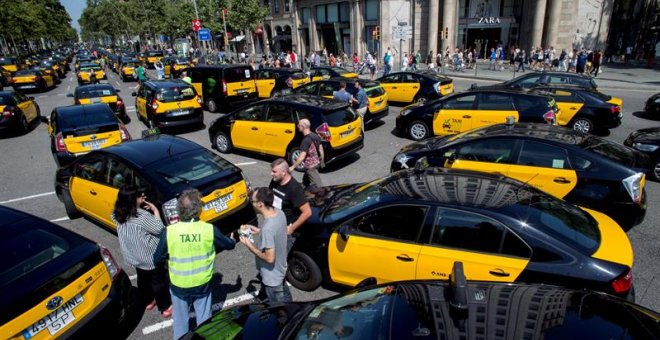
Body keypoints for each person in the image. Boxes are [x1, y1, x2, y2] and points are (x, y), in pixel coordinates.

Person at [153, 189, 236, 340]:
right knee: (204, 318)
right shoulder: (209, 229)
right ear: (198, 210)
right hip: (201, 283)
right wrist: (232, 239)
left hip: (178, 284)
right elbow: (229, 245)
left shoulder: (169, 232)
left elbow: (156, 259)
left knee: (180, 320)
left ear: (179, 210)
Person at [112, 185, 172, 318]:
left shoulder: (116, 213)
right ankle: (165, 306)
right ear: (132, 199)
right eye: (140, 196)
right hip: (149, 256)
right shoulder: (141, 216)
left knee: (143, 279)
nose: (143, 197)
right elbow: (159, 228)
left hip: (133, 255)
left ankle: (149, 301)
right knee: (158, 282)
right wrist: (155, 210)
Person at [238, 187, 291, 303]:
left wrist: (249, 245)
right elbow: (275, 232)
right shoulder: (279, 213)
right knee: (287, 302)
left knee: (280, 310)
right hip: (281, 269)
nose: (252, 204)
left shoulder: (268, 229)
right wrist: (259, 230)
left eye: (253, 201)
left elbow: (270, 258)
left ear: (260, 204)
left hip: (272, 278)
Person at [268, 158, 312, 249]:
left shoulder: (294, 189)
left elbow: (307, 212)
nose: (271, 174)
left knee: (279, 259)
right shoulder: (275, 181)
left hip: (286, 232)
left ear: (284, 172)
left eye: (274, 172)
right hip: (274, 226)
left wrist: (291, 229)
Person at [289, 118, 324, 188]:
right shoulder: (315, 135)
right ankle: (302, 192)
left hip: (310, 167)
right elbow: (321, 149)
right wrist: (322, 161)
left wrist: (293, 167)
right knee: (305, 183)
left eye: (299, 125)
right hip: (316, 164)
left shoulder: (305, 141)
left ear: (303, 127)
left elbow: (302, 156)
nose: (297, 126)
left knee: (319, 187)